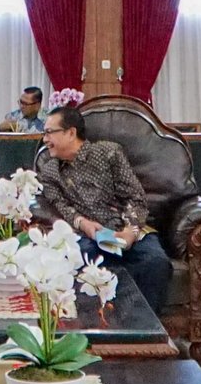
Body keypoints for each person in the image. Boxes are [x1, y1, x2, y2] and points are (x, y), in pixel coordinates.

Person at [33, 105, 173, 316]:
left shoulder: (108, 152)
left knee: (156, 262)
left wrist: (131, 230)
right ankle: (94, 326)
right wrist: (83, 224)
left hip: (128, 229)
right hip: (88, 236)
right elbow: (61, 205)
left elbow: (135, 197)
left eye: (49, 132)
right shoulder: (50, 171)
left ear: (71, 132)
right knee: (80, 258)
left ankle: (142, 327)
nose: (45, 139)